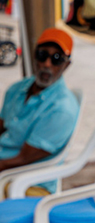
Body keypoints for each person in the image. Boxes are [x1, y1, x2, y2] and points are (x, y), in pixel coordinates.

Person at [0, 28, 79, 196]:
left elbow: (23, 160)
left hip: (27, 182)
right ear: (35, 56)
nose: (47, 64)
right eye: (43, 55)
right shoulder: (17, 89)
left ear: (67, 65)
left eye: (56, 59)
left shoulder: (62, 109)